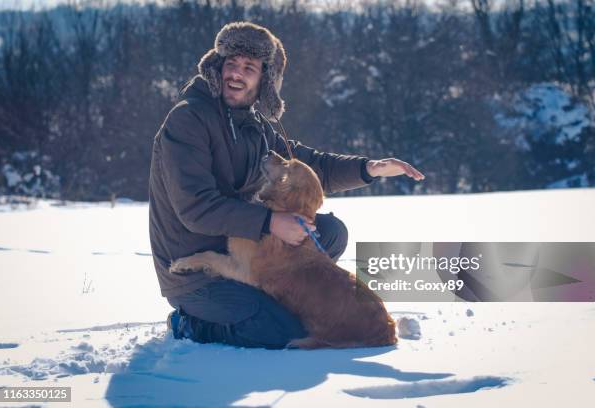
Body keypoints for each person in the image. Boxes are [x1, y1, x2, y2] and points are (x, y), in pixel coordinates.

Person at [148, 21, 424, 349]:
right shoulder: (189, 119)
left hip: (247, 248)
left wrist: (369, 168)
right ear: (216, 67)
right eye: (230, 64)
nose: (235, 74)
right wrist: (270, 222)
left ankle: (281, 294)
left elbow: (309, 166)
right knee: (282, 331)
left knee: (331, 232)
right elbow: (196, 208)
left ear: (265, 80)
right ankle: (189, 323)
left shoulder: (255, 124)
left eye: (248, 67)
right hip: (193, 265)